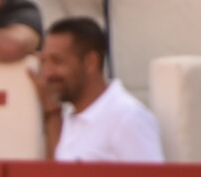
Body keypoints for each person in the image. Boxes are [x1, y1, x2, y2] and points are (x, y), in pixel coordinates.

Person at [32, 17, 164, 163]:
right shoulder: (73, 115)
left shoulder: (128, 117)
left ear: (91, 62)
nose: (47, 73)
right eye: (44, 62)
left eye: (57, 61)